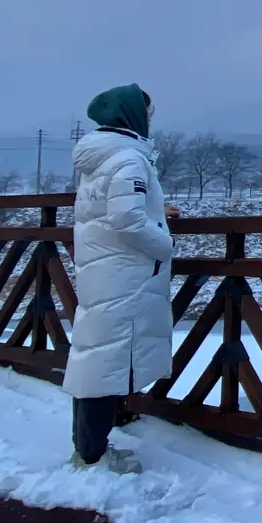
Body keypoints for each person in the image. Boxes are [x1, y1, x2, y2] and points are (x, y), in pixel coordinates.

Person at [64, 84, 179, 474]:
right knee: (108, 363)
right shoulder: (130, 158)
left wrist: (157, 209)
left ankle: (86, 448)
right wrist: (164, 243)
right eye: (148, 112)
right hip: (124, 275)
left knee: (95, 356)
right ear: (132, 115)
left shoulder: (102, 156)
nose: (150, 119)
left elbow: (115, 207)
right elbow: (126, 219)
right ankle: (92, 455)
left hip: (101, 269)